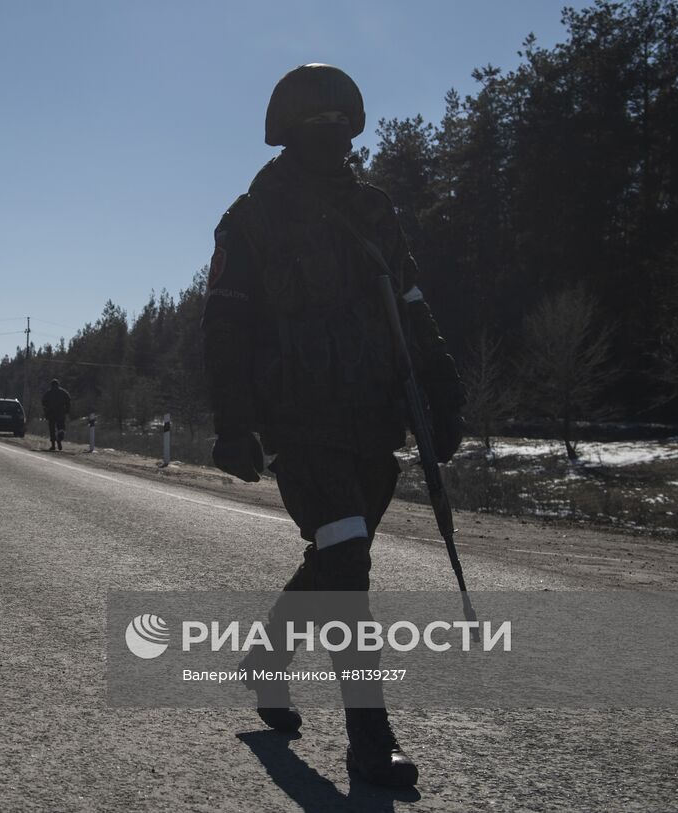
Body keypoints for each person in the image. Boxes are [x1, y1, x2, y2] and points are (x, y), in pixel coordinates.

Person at [200, 63, 465, 789]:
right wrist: (234, 425)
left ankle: (266, 657)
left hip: (374, 419)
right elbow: (224, 328)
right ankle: (370, 739)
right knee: (347, 563)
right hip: (301, 419)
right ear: (285, 133)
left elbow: (412, 305)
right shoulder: (250, 218)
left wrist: (446, 396)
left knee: (333, 556)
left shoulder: (376, 210)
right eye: (313, 127)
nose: (329, 139)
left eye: (337, 126)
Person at [41, 379, 71, 451]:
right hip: (60, 413)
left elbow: (43, 402)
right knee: (61, 428)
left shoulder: (48, 393)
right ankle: (59, 440)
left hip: (51, 413)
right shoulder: (63, 392)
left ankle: (53, 445)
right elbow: (68, 401)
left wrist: (47, 409)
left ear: (51, 385)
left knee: (52, 430)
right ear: (58, 385)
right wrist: (67, 410)